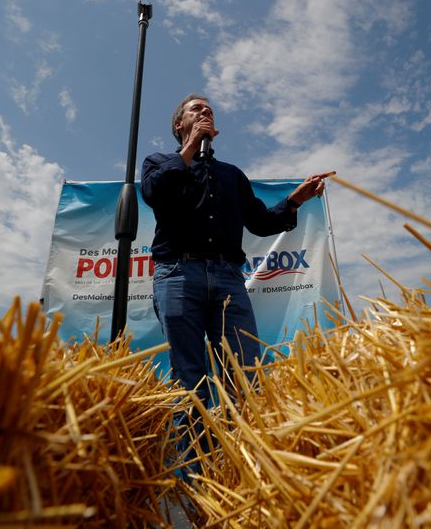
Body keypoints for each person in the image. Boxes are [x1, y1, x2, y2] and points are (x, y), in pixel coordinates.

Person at [141, 93, 329, 472]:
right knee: (190, 379)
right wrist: (191, 148)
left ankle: (238, 473)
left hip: (228, 278)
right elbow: (152, 193)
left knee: (243, 375)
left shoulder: (231, 174)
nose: (205, 112)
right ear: (179, 125)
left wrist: (293, 202)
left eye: (209, 110)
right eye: (196, 109)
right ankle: (199, 484)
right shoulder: (160, 163)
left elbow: (259, 221)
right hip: (178, 274)